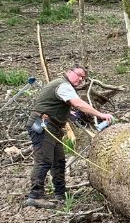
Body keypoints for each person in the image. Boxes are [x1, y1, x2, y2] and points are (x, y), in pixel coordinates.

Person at [25, 65, 113, 208]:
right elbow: (77, 103)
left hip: (53, 127)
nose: (80, 79)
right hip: (44, 126)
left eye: (83, 78)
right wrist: (101, 115)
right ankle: (35, 195)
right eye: (78, 75)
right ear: (69, 72)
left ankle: (60, 193)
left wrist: (68, 114)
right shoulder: (63, 85)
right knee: (44, 160)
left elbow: (54, 103)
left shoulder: (61, 85)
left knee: (58, 161)